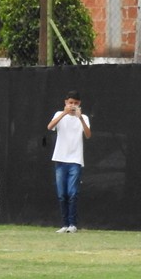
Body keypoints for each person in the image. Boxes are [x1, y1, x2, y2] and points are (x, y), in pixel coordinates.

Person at [47, 90, 91, 233]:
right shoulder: (59, 115)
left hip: (75, 160)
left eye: (76, 103)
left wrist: (81, 119)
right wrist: (64, 113)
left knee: (72, 193)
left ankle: (73, 224)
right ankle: (65, 224)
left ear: (80, 104)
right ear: (66, 103)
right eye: (70, 103)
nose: (73, 105)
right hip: (60, 159)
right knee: (62, 194)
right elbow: (50, 126)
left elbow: (88, 135)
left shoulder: (83, 117)